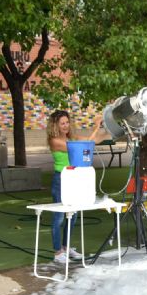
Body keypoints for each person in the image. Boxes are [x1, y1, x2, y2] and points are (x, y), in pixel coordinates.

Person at [47, 110, 102, 264]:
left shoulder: (71, 137)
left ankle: (66, 247)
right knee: (59, 217)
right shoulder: (54, 141)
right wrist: (96, 127)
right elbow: (82, 147)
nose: (66, 126)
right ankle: (58, 253)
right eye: (62, 123)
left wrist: (102, 130)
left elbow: (92, 142)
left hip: (73, 178)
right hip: (61, 178)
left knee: (73, 215)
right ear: (55, 125)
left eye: (67, 122)